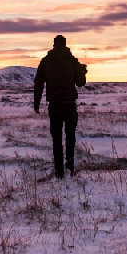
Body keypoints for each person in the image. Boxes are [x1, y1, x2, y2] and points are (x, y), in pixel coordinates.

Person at [34, 35, 87, 179]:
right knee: (70, 137)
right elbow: (81, 82)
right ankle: (69, 168)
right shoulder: (72, 60)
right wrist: (83, 71)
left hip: (54, 105)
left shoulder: (46, 61)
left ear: (53, 45)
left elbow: (38, 83)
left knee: (56, 139)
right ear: (65, 45)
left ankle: (59, 172)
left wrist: (36, 104)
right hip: (69, 105)